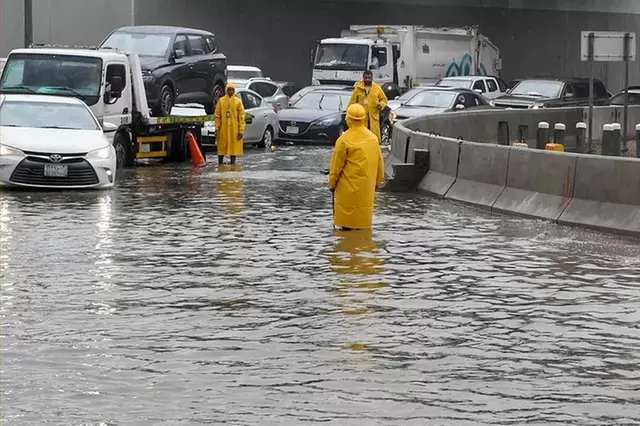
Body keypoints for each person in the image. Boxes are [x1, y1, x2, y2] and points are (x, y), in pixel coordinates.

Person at [329, 104, 385, 231]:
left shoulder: (343, 140)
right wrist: (377, 183)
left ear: (348, 119)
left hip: (347, 193)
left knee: (347, 229)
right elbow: (380, 164)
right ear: (364, 119)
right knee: (363, 227)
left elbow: (336, 167)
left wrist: (332, 184)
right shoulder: (373, 139)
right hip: (366, 191)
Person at [348, 70, 388, 144]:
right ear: (363, 77)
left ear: (372, 78)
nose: (367, 79)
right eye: (365, 78)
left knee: (374, 140)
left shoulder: (377, 88)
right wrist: (349, 116)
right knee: (362, 140)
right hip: (361, 118)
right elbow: (352, 103)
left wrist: (381, 104)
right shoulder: (358, 88)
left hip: (373, 118)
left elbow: (384, 99)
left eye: (369, 78)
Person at [214, 82, 245, 165]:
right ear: (226, 90)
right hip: (223, 129)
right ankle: (220, 164)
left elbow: (241, 117)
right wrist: (217, 128)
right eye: (229, 90)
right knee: (222, 147)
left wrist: (241, 130)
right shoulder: (221, 101)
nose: (230, 91)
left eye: (232, 90)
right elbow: (217, 116)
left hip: (234, 129)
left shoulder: (238, 102)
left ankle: (232, 164)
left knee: (233, 148)